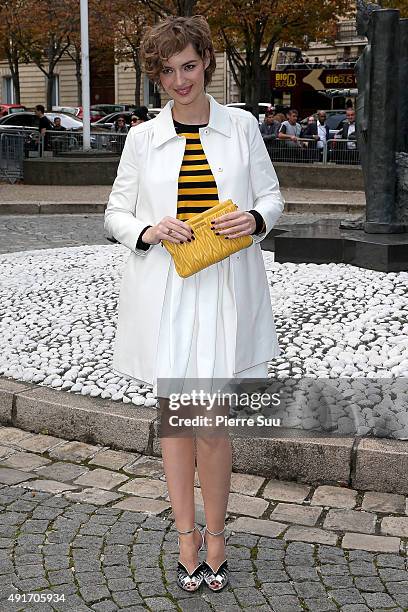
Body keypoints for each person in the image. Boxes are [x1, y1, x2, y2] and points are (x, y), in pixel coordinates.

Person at [104, 14, 284, 594]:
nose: (180, 80)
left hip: (227, 289)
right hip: (168, 295)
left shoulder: (242, 128)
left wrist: (255, 219)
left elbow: (273, 196)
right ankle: (186, 536)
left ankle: (217, 536)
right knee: (177, 426)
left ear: (206, 60)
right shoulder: (142, 138)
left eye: (189, 66)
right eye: (167, 71)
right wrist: (148, 229)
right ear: (157, 76)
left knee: (212, 425)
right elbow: (115, 213)